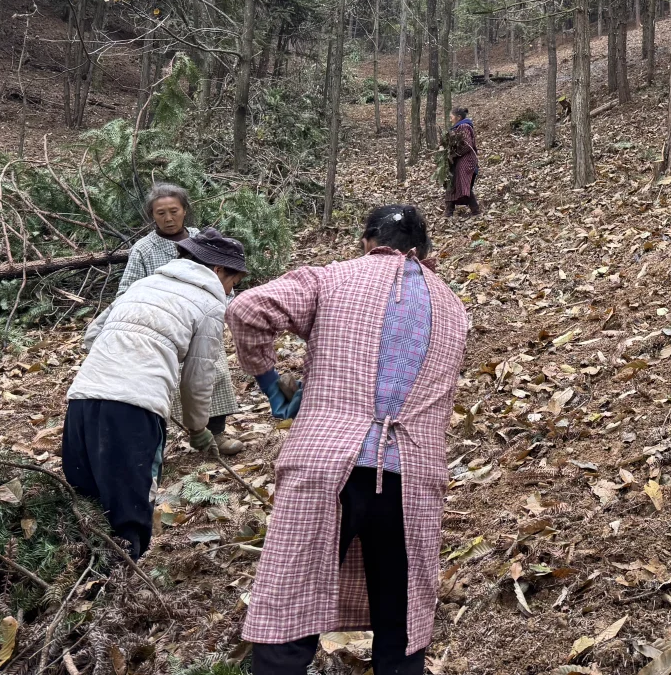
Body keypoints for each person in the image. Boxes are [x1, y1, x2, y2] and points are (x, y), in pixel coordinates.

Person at [227, 205, 469, 675]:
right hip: (413, 476)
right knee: (400, 623)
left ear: (367, 243)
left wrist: (272, 383)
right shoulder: (454, 309)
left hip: (324, 463)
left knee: (288, 609)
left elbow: (246, 309)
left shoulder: (331, 278)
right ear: (423, 252)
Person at [62, 227, 248, 558]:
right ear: (218, 269)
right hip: (134, 412)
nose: (232, 288)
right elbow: (199, 377)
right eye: (233, 279)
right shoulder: (208, 303)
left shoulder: (143, 285)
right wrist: (197, 427)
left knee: (85, 498)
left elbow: (93, 336)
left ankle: (82, 584)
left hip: (83, 400)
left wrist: (120, 361)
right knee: (130, 511)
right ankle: (121, 594)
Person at [113, 183, 244, 455]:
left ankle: (215, 434)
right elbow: (125, 291)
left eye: (174, 211)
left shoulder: (202, 240)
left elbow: (225, 281)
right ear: (152, 215)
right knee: (160, 382)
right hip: (161, 323)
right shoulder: (143, 249)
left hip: (202, 316)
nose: (168, 218)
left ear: (185, 211)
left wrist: (225, 310)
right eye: (160, 213)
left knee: (211, 373)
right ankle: (155, 443)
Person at [443, 106, 479, 217]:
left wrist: (454, 154)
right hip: (458, 162)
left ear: (458, 117)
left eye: (451, 117)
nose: (450, 119)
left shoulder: (464, 126)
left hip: (466, 162)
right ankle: (449, 212)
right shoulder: (457, 127)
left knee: (463, 186)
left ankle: (476, 211)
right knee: (452, 185)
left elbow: (467, 145)